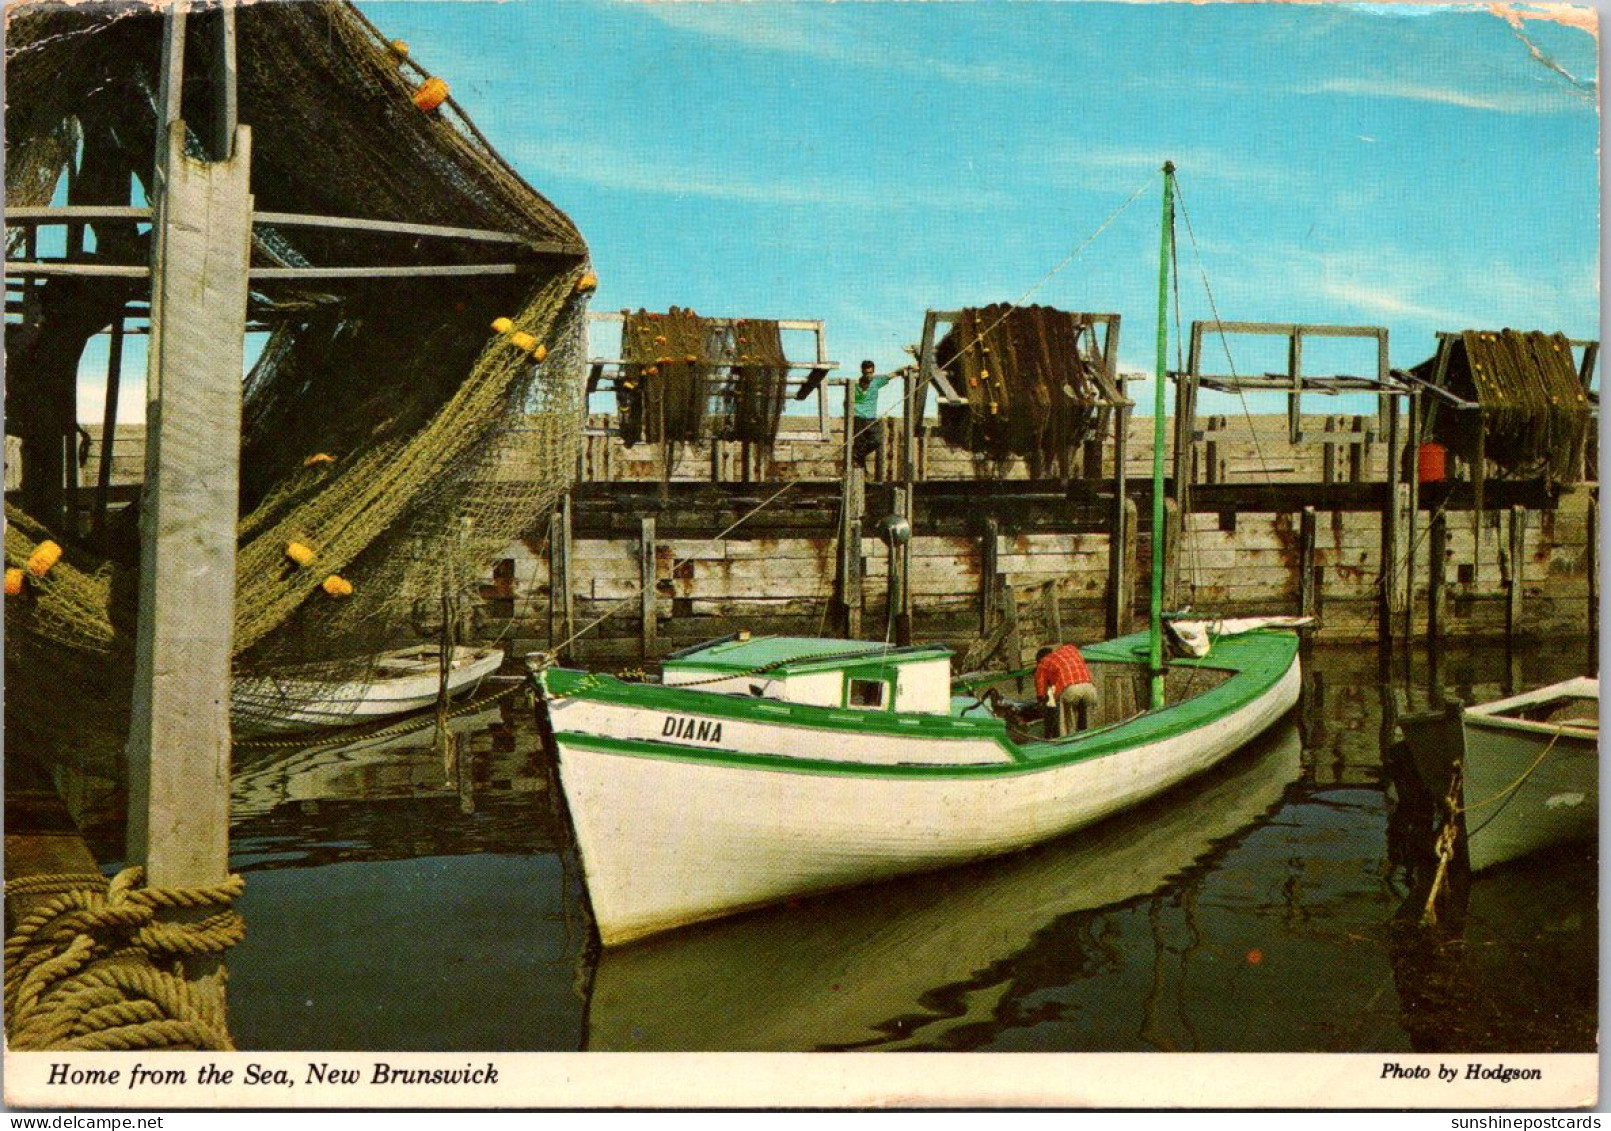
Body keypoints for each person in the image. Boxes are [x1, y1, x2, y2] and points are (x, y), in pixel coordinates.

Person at [1035, 643, 1100, 737]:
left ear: (1040, 659)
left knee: (1057, 709)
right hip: (1090, 689)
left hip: (1071, 690)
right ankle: (1083, 732)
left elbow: (1040, 692)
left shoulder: (1043, 663)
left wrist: (1041, 703)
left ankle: (1062, 737)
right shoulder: (1070, 649)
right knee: (1082, 709)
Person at [851, 360, 891, 470]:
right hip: (858, 418)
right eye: (866, 373)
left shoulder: (876, 382)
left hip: (871, 419)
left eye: (870, 373)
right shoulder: (855, 385)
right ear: (862, 372)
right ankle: (860, 474)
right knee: (859, 444)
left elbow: (893, 374)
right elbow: (847, 402)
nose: (868, 375)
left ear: (873, 372)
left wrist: (907, 367)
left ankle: (857, 455)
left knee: (877, 440)